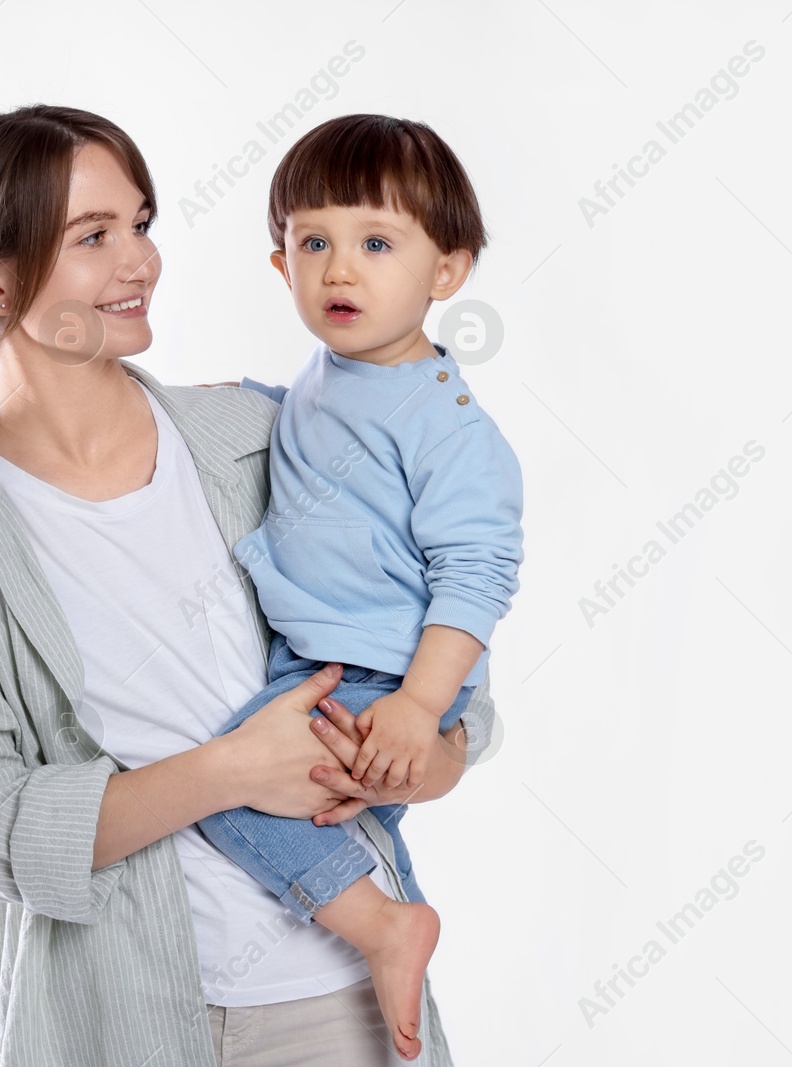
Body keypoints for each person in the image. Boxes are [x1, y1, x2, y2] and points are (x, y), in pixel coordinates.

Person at [0, 104, 500, 1066]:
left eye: (141, 224)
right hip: (118, 1020)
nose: (140, 261)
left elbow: (451, 682)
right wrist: (233, 769)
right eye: (94, 236)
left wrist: (430, 754)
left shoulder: (264, 434)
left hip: (338, 1003)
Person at [192, 114, 523, 1060]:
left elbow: (479, 572)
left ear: (446, 272)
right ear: (279, 264)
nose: (341, 269)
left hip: (389, 671)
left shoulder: (445, 422)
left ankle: (387, 927)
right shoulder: (333, 374)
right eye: (314, 243)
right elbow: (326, 431)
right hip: (330, 657)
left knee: (225, 784)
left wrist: (421, 709)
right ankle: (393, 921)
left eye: (377, 244)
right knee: (331, 817)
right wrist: (249, 400)